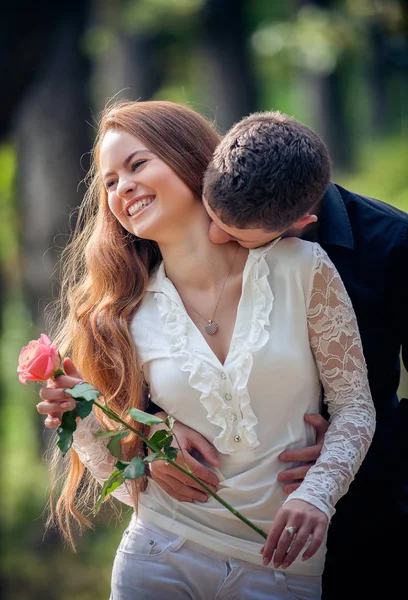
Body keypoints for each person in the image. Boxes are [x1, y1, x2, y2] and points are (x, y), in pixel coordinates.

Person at [36, 101, 375, 600]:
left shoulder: (302, 267)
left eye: (137, 164)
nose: (122, 187)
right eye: (109, 182)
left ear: (191, 158)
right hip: (159, 554)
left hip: (282, 566)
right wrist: (83, 419)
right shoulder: (120, 313)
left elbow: (354, 406)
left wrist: (318, 496)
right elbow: (122, 480)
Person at [144, 112, 408, 600]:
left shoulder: (392, 245)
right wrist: (155, 428)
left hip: (366, 512)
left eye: (238, 236)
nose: (217, 238)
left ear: (301, 224)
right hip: (220, 523)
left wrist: (349, 460)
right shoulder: (188, 225)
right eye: (213, 216)